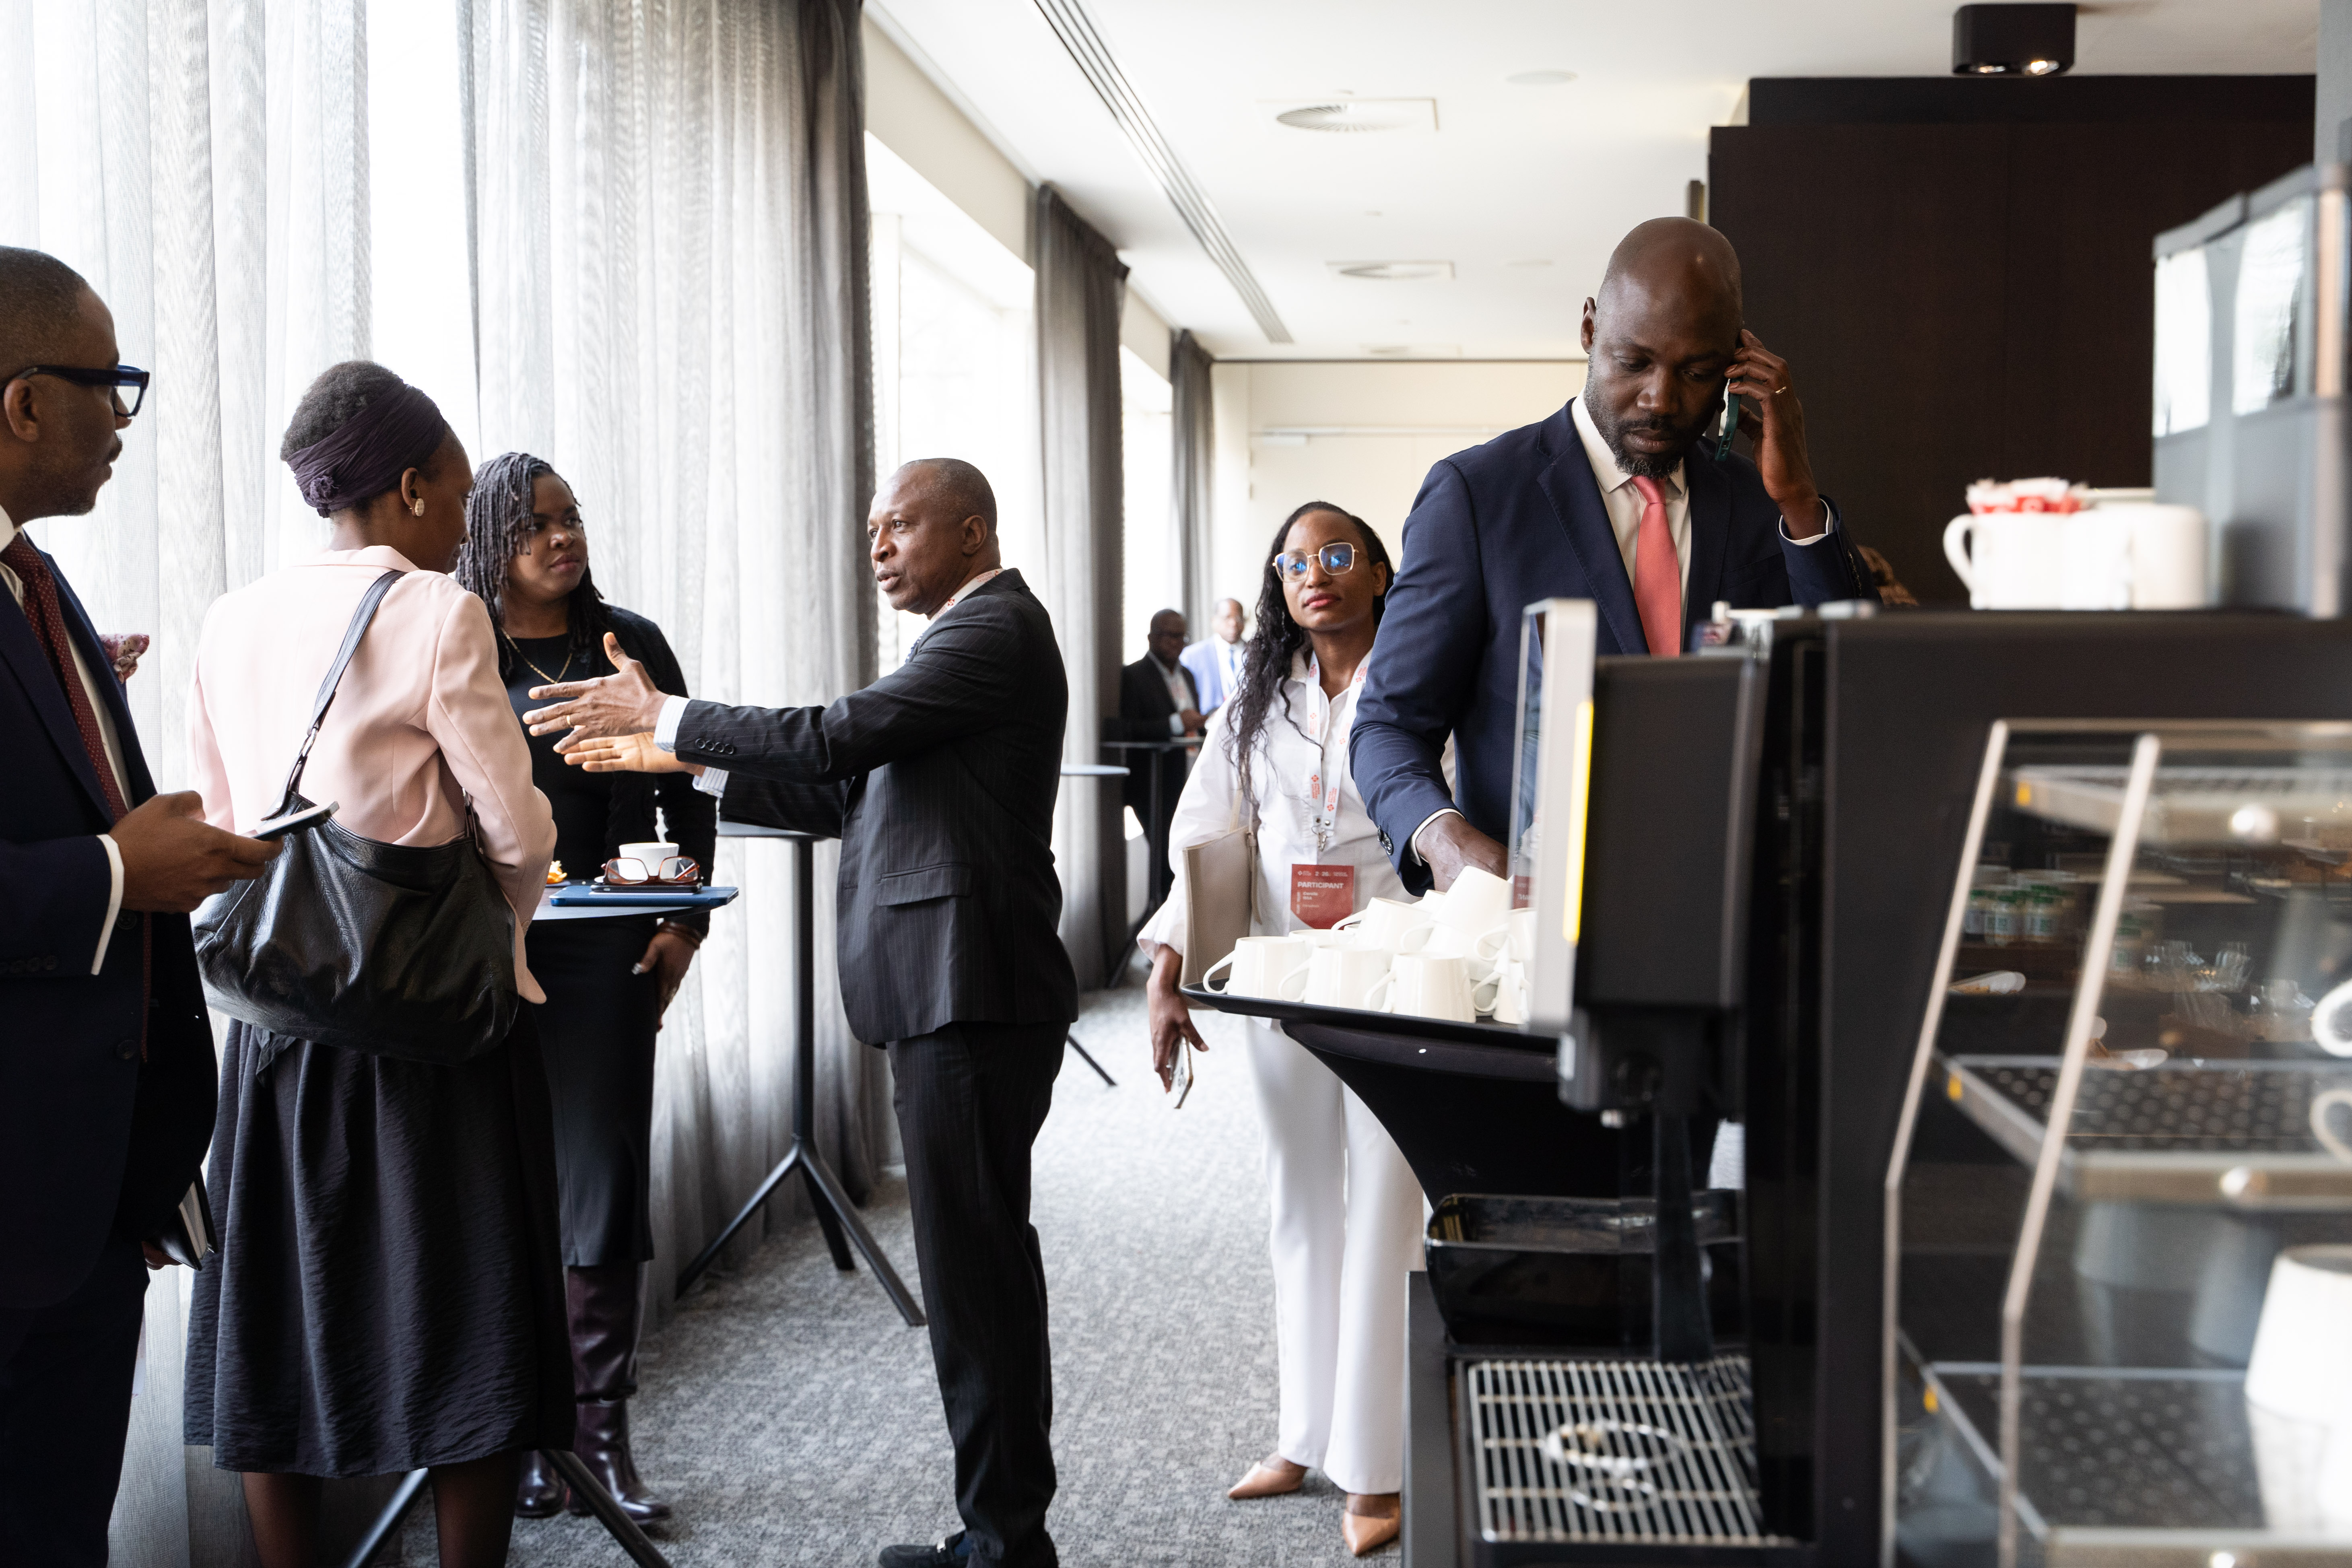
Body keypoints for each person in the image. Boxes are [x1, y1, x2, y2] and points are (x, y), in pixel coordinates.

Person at [520, 456, 1078, 1568]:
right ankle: (1000, 1531)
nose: (878, 547)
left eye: (899, 526)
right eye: (871, 529)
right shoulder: (961, 642)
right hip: (953, 991)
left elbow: (833, 735)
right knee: (975, 1273)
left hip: (970, 991)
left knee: (976, 1280)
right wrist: (678, 755)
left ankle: (1006, 1543)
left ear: (972, 533)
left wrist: (670, 711)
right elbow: (844, 787)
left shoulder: (995, 630)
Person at [182, 362, 568, 1568]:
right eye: (454, 493)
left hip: (277, 1034)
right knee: (469, 1327)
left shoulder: (230, 617)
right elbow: (519, 831)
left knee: (279, 1325)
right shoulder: (438, 612)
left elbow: (220, 818)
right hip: (428, 1032)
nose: (463, 522)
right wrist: (499, 926)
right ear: (407, 489)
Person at [0, 247, 281, 1568]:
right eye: (109, 383)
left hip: (87, 1194)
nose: (124, 418)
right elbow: (92, 862)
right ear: (23, 402)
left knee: (64, 1530)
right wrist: (120, 872)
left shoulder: (38, 581)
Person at [1352, 216, 1877, 896]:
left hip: (1727, 904)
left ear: (1736, 364)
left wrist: (1800, 499)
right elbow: (1388, 725)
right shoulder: (1477, 497)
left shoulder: (1764, 504)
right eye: (1634, 363)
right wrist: (1441, 836)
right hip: (1534, 912)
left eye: (1697, 372)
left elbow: (1857, 687)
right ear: (1589, 329)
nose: (1661, 399)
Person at [1142, 503, 1421, 1558]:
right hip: (1276, 976)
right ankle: (1303, 1435)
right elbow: (1204, 832)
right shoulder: (1256, 699)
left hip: (1395, 975)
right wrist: (1168, 971)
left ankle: (1375, 1464)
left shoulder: (1420, 681)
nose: (1316, 574)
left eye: (1337, 555)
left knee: (1386, 1212)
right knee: (1299, 1208)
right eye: (1295, 561)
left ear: (1380, 571)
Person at [453, 451, 714, 1524]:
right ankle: (529, 1437)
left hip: (608, 950)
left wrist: (682, 923)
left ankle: (601, 1441)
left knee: (602, 1181)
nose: (563, 537)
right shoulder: (460, 642)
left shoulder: (628, 641)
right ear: (488, 540)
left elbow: (690, 784)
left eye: (571, 517)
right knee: (505, 1187)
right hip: (482, 955)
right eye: (535, 524)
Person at [1117, 608, 1203, 912]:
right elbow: (1127, 728)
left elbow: (1193, 725)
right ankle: (1161, 925)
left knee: (1187, 858)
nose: (1176, 643)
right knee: (1167, 862)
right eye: (1169, 636)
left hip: (1189, 779)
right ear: (1152, 637)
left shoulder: (1188, 674)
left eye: (1182, 637)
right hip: (1154, 784)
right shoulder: (1133, 675)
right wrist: (1176, 723)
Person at [1179, 595, 1247, 713]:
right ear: (1214, 621)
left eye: (1238, 618)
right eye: (1227, 618)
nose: (1234, 623)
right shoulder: (1192, 656)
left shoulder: (1259, 654)